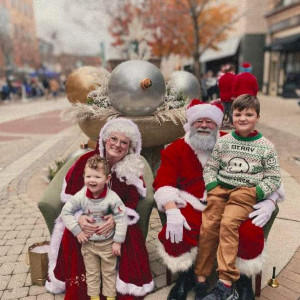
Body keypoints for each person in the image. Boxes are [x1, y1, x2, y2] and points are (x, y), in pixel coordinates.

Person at [153, 98, 284, 300]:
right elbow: (163, 183)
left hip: (237, 200)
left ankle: (242, 277)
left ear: (218, 124)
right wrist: (171, 209)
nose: (204, 125)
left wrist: (270, 201)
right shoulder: (176, 149)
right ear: (190, 123)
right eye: (199, 121)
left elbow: (272, 176)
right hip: (192, 201)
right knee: (182, 227)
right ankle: (186, 274)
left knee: (248, 229)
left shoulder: (231, 141)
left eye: (210, 121)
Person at [46, 118, 154, 300]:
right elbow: (71, 198)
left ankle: (117, 289)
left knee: (129, 236)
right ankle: (84, 290)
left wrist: (116, 219)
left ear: (130, 147)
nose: (118, 145)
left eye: (124, 142)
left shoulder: (131, 168)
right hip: (86, 218)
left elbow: (132, 201)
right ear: (104, 139)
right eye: (114, 139)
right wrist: (79, 218)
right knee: (75, 237)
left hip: (116, 219)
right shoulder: (86, 162)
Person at [194, 94, 281, 299]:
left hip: (244, 193)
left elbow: (274, 177)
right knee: (208, 226)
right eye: (238, 113)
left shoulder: (266, 146)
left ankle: (225, 281)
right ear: (231, 116)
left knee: (228, 224)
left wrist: (257, 192)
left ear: (257, 117)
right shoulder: (224, 142)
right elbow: (211, 167)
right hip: (220, 189)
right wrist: (213, 186)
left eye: (248, 114)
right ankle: (201, 276)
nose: (243, 118)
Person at [61, 155, 128, 300]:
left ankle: (110, 297)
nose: (92, 180)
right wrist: (77, 231)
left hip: (108, 244)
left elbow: (122, 217)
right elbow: (66, 212)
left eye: (97, 177)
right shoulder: (80, 197)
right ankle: (94, 297)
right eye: (88, 176)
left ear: (107, 178)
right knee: (92, 274)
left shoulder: (113, 198)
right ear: (84, 176)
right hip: (88, 245)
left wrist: (118, 241)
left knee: (109, 273)